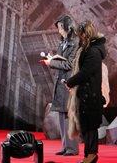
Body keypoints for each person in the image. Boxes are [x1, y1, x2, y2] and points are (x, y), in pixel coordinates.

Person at [66, 20, 106, 163]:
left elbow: (85, 72)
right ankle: (88, 155)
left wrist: (70, 82)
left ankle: (91, 155)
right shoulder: (89, 49)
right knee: (86, 127)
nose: (78, 37)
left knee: (90, 127)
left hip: (91, 95)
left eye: (80, 34)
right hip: (86, 94)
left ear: (84, 34)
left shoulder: (93, 51)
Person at [39, 15, 79, 156]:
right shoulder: (63, 42)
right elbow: (61, 60)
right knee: (62, 116)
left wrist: (52, 63)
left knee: (69, 116)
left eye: (61, 27)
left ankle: (72, 148)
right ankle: (65, 146)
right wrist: (51, 59)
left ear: (68, 27)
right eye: (59, 27)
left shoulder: (75, 43)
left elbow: (69, 64)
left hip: (69, 82)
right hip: (61, 82)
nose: (59, 30)